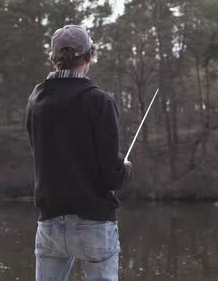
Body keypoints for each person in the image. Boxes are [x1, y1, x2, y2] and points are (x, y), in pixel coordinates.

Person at [25, 25, 132, 281]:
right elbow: (112, 175)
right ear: (88, 57)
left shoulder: (35, 99)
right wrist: (126, 169)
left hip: (50, 219)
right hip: (93, 218)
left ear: (55, 58)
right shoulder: (99, 101)